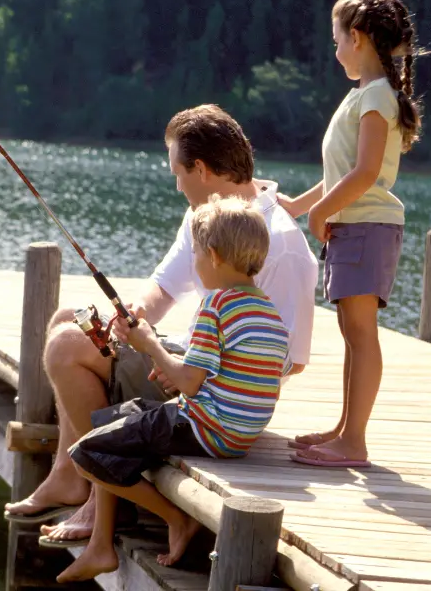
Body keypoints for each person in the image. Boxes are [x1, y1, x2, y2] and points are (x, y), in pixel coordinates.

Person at [3, 105, 319, 547]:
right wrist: (133, 318)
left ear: (203, 169)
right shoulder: (208, 218)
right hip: (192, 360)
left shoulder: (280, 243)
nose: (176, 184)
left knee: (64, 347)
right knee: (66, 320)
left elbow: (284, 361)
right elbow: (164, 286)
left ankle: (97, 498)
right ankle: (66, 475)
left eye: (177, 173)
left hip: (210, 394)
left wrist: (178, 364)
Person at [56, 194, 291, 582]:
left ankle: (175, 519)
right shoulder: (268, 312)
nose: (195, 262)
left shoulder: (216, 306)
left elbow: (188, 383)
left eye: (196, 254)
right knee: (120, 416)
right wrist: (167, 361)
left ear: (213, 256)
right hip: (239, 435)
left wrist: (148, 344)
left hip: (205, 429)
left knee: (86, 451)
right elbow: (228, 376)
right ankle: (107, 534)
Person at [277, 0, 421, 468]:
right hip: (353, 226)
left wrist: (320, 213)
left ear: (357, 37)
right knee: (351, 332)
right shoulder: (366, 94)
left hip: (366, 227)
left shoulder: (377, 96)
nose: (335, 49)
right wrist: (299, 206)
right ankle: (343, 429)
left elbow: (363, 174)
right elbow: (340, 175)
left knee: (362, 333)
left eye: (337, 39)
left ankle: (354, 442)